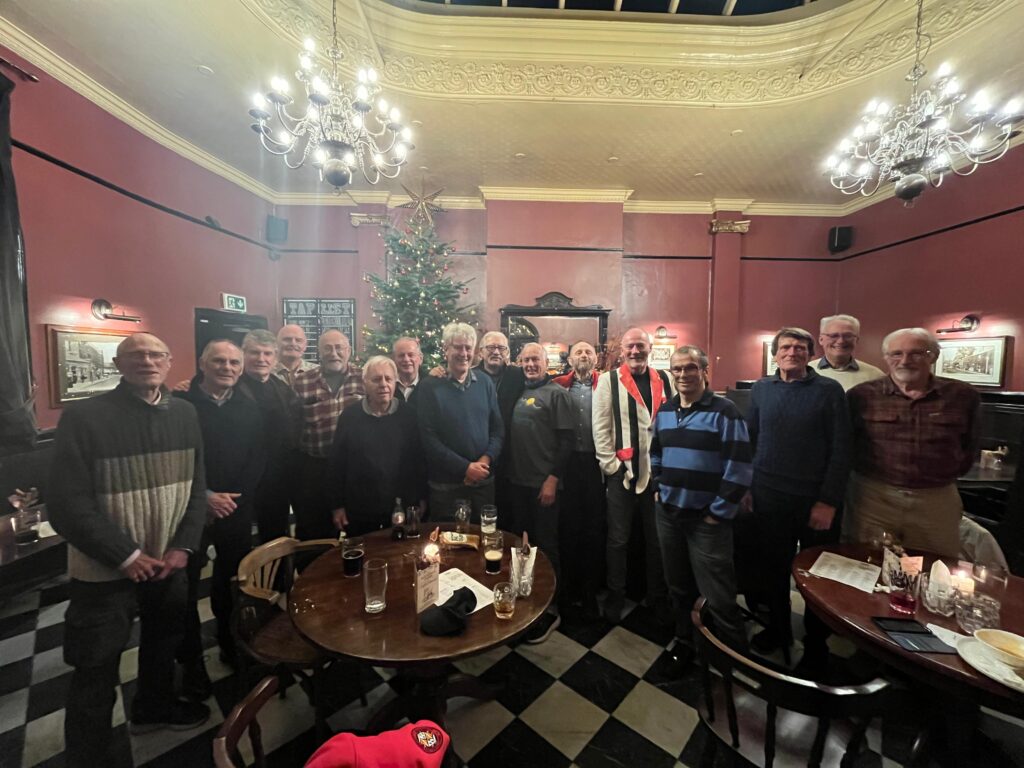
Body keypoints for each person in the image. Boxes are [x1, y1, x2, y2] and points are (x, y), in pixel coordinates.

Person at [48, 333, 208, 765]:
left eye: (156, 354)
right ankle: (89, 756)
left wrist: (183, 546)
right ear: (118, 364)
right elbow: (66, 504)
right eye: (136, 355)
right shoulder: (85, 418)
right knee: (95, 667)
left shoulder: (185, 413)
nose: (147, 361)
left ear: (169, 362)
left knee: (163, 646)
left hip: (168, 562)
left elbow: (198, 487)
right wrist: (126, 556)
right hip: (105, 570)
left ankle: (154, 709)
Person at [745, 327, 850, 668]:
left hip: (814, 501)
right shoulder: (761, 389)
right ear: (775, 354)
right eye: (786, 347)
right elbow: (750, 439)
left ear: (811, 354)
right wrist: (746, 487)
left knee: (817, 573)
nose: (792, 352)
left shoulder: (828, 390)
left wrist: (828, 501)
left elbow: (841, 449)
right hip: (768, 496)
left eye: (800, 348)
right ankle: (778, 628)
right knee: (772, 568)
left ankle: (817, 642)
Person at [651, 346, 752, 659]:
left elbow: (739, 468)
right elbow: (655, 452)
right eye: (677, 369)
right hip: (669, 514)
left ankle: (736, 662)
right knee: (678, 588)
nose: (683, 374)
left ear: (704, 371)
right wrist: (658, 488)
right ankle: (686, 644)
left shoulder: (725, 412)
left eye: (690, 367)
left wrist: (717, 514)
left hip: (707, 520)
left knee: (718, 595)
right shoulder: (666, 410)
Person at [175, 340, 265, 686]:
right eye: (219, 361)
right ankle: (191, 662)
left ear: (240, 368)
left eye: (233, 362)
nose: (227, 367)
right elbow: (176, 460)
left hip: (235, 508)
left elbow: (257, 458)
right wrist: (205, 497)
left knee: (232, 582)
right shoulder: (181, 403)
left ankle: (232, 645)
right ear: (202, 363)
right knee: (185, 589)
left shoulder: (249, 406)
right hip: (188, 508)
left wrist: (232, 501)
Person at [845, 328, 980, 557]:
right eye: (896, 354)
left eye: (916, 353)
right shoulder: (862, 396)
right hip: (874, 498)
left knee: (937, 564)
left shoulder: (962, 396)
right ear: (886, 357)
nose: (905, 361)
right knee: (866, 560)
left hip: (936, 500)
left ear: (933, 356)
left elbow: (971, 445)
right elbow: (848, 443)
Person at [592, 327, 671, 625]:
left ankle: (657, 597)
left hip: (658, 476)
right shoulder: (608, 380)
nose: (635, 351)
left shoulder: (666, 379)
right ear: (622, 351)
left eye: (640, 345)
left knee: (657, 540)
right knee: (618, 540)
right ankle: (616, 595)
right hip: (621, 474)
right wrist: (611, 466)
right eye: (630, 346)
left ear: (650, 348)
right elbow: (601, 428)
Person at [506, 343, 575, 642]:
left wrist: (552, 479)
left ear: (546, 362)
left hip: (543, 484)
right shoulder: (519, 391)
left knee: (547, 545)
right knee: (522, 544)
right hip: (517, 483)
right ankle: (527, 597)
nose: (530, 364)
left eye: (536, 359)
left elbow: (567, 442)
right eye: (526, 360)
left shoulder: (557, 394)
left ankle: (551, 608)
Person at [328, 356, 426, 536]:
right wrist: (337, 506)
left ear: (395, 382)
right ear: (364, 383)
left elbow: (419, 461)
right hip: (360, 509)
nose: (383, 384)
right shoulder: (349, 417)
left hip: (401, 506)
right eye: (376, 379)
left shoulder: (409, 416)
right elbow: (337, 464)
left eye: (388, 379)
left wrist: (421, 498)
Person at [417, 323, 504, 521]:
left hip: (483, 483)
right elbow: (429, 439)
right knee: (447, 539)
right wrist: (465, 468)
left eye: (468, 348)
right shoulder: (429, 387)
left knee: (484, 537)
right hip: (446, 488)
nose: (463, 353)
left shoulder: (485, 382)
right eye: (457, 347)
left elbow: (498, 429)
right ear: (446, 349)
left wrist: (484, 461)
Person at [292, 330, 364, 539]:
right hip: (316, 469)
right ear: (319, 352)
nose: (334, 353)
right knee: (314, 533)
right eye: (328, 348)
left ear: (349, 351)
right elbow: (293, 426)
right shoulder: (302, 382)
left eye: (339, 348)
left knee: (357, 530)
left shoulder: (363, 378)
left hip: (353, 470)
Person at [552, 340, 604, 617]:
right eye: (578, 352)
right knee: (569, 526)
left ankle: (590, 591)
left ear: (596, 358)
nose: (583, 355)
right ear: (570, 359)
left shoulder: (607, 385)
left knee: (594, 528)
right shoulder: (558, 385)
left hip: (598, 464)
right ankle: (568, 588)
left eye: (588, 352)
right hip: (568, 464)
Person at [235, 329, 303, 542]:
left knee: (275, 535)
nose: (261, 359)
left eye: (267, 353)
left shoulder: (282, 388)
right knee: (236, 539)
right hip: (239, 478)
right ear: (243, 354)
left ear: (275, 358)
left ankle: (278, 566)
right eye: (255, 352)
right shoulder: (230, 386)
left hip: (276, 478)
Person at [811, 314, 885, 391]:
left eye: (848, 336)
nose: (841, 341)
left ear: (856, 340)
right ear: (821, 340)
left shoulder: (875, 376)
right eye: (834, 336)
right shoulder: (806, 372)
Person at [393, 336, 426, 407]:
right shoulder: (388, 385)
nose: (406, 359)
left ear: (420, 359)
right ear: (394, 359)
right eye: (401, 355)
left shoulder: (430, 385)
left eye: (411, 355)